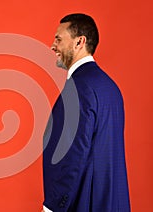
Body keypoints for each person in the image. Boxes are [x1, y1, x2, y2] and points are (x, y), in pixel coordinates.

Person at [42, 13, 130, 211]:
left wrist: (53, 206)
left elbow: (73, 154)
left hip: (83, 203)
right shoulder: (110, 87)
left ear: (79, 42)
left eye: (58, 39)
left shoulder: (79, 89)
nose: (52, 45)